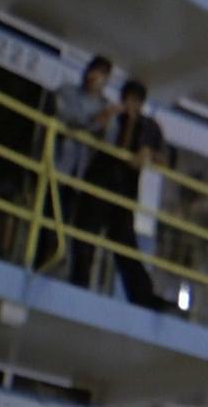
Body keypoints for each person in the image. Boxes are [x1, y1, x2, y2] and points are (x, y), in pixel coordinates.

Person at [68, 79, 169, 311]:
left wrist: (148, 153)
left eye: (136, 101)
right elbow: (88, 131)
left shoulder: (149, 127)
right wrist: (105, 118)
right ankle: (78, 285)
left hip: (124, 189)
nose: (131, 105)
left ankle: (143, 297)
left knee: (125, 245)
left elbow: (164, 158)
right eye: (128, 99)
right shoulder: (111, 115)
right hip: (99, 181)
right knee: (85, 237)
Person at [36, 55, 118, 267]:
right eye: (93, 70)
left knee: (66, 219)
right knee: (46, 216)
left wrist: (104, 123)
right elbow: (68, 119)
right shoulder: (67, 93)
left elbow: (110, 141)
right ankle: (38, 260)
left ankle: (54, 260)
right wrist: (96, 121)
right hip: (56, 164)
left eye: (101, 74)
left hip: (81, 175)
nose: (94, 77)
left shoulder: (106, 107)